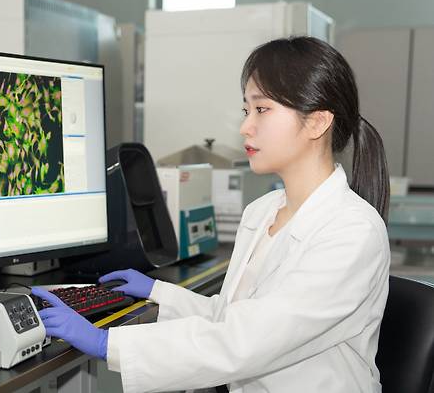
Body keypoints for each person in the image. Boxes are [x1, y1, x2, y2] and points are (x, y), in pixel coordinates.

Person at [32, 36, 391, 393]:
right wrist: (160, 293)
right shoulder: (263, 212)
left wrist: (107, 344)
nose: (245, 127)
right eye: (245, 110)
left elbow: (246, 340)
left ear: (317, 123)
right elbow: (234, 316)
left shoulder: (352, 232)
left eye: (262, 109)